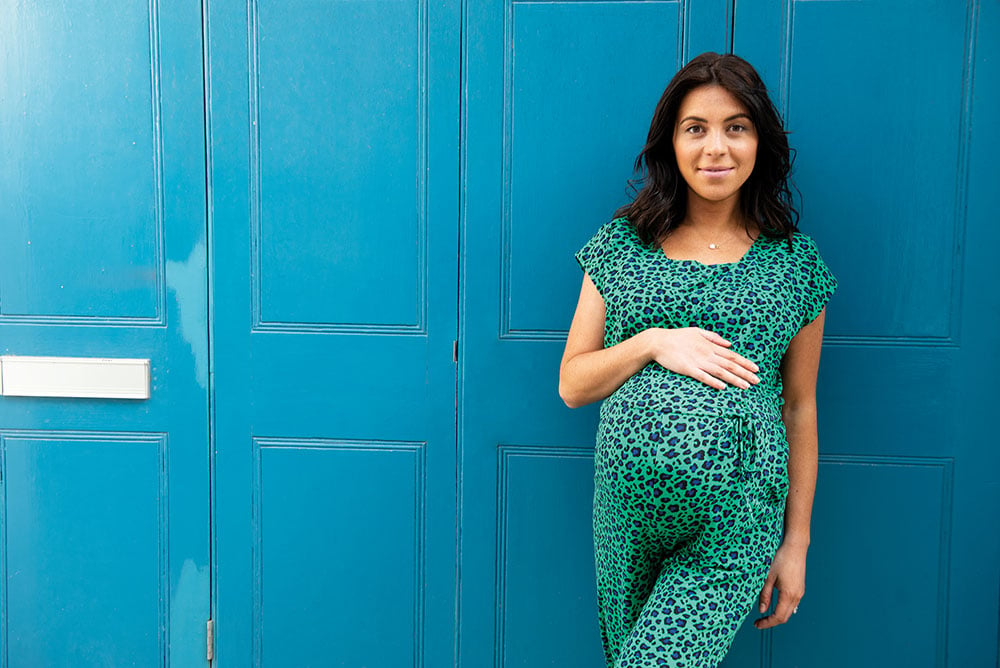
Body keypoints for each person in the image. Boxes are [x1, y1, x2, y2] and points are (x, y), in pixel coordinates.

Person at [558, 52, 837, 667]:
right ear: (671, 143)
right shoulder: (621, 246)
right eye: (696, 128)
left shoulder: (795, 265)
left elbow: (800, 405)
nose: (717, 147)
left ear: (760, 140)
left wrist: (797, 544)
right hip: (624, 516)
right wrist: (652, 342)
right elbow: (572, 384)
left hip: (736, 520)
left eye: (736, 126)